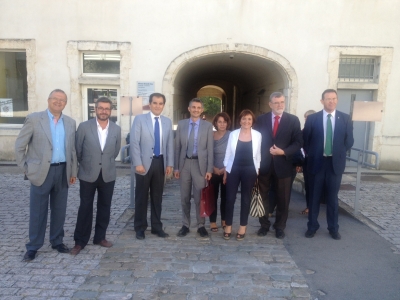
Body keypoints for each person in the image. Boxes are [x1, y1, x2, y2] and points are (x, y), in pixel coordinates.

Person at [15, 89, 78, 262]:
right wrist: (26, 169)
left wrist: (73, 171)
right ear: (48, 100)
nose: (59, 102)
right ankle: (33, 246)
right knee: (38, 211)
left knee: (60, 210)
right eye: (55, 99)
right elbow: (20, 146)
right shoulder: (35, 119)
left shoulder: (70, 123)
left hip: (63, 171)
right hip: (41, 172)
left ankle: (57, 241)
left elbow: (72, 150)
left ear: (66, 103)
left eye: (62, 100)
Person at [70, 97, 121, 255]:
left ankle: (100, 237)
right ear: (95, 109)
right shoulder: (84, 127)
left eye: (107, 108)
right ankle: (80, 241)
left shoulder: (116, 129)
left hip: (108, 174)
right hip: (88, 173)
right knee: (85, 207)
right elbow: (77, 150)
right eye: (101, 108)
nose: (103, 111)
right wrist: (86, 164)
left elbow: (115, 150)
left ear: (110, 111)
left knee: (105, 207)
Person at [303, 89, 354, 240]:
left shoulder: (345, 118)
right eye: (328, 99)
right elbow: (306, 139)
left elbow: (349, 141)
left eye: (334, 98)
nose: (331, 101)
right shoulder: (313, 118)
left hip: (334, 165)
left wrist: (338, 153)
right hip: (317, 163)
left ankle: (333, 228)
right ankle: (312, 226)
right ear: (322, 101)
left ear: (337, 100)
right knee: (314, 197)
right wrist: (313, 153)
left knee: (332, 198)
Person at [254, 92, 303, 239]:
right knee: (262, 197)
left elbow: (298, 142)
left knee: (283, 199)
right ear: (270, 104)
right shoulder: (261, 120)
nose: (280, 105)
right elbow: (255, 141)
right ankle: (264, 225)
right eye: (276, 102)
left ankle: (280, 227)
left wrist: (284, 151)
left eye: (282, 102)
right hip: (264, 165)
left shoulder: (293, 120)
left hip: (284, 165)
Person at [130, 93, 174, 240]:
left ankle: (156, 227)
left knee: (157, 197)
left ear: (163, 105)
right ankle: (140, 227)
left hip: (160, 162)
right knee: (142, 197)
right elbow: (134, 142)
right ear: (149, 104)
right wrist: (138, 163)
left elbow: (169, 144)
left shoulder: (167, 122)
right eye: (155, 103)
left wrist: (169, 164)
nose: (157, 106)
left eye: (160, 103)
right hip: (143, 164)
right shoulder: (140, 119)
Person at [174, 98, 213, 238]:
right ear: (189, 109)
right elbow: (177, 147)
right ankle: (185, 224)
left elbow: (210, 150)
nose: (196, 109)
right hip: (184, 164)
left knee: (199, 197)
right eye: (193, 107)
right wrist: (176, 168)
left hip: (200, 166)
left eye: (198, 107)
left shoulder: (207, 126)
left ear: (201, 110)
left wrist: (209, 170)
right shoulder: (181, 124)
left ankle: (201, 225)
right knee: (184, 197)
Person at [223, 109, 261, 241]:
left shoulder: (257, 135)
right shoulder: (233, 134)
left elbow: (259, 154)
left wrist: (258, 169)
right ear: (240, 121)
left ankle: (242, 226)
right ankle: (228, 225)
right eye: (244, 119)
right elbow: (228, 153)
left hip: (250, 170)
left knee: (246, 199)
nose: (246, 121)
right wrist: (225, 171)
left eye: (249, 119)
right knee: (230, 198)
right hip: (233, 169)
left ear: (252, 122)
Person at [209, 112, 231, 232]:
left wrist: (224, 168)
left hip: (226, 171)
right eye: (220, 122)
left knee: (225, 197)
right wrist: (213, 167)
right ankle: (212, 221)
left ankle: (224, 220)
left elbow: (233, 153)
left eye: (224, 122)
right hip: (212, 171)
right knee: (212, 197)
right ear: (216, 123)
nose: (222, 124)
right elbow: (207, 153)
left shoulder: (231, 135)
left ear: (227, 123)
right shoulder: (210, 135)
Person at [300, 109, 316, 215]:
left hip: (318, 162)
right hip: (306, 162)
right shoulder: (303, 131)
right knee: (308, 186)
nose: (306, 119)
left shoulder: (320, 130)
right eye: (305, 117)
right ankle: (309, 207)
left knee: (316, 186)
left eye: (308, 117)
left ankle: (314, 207)